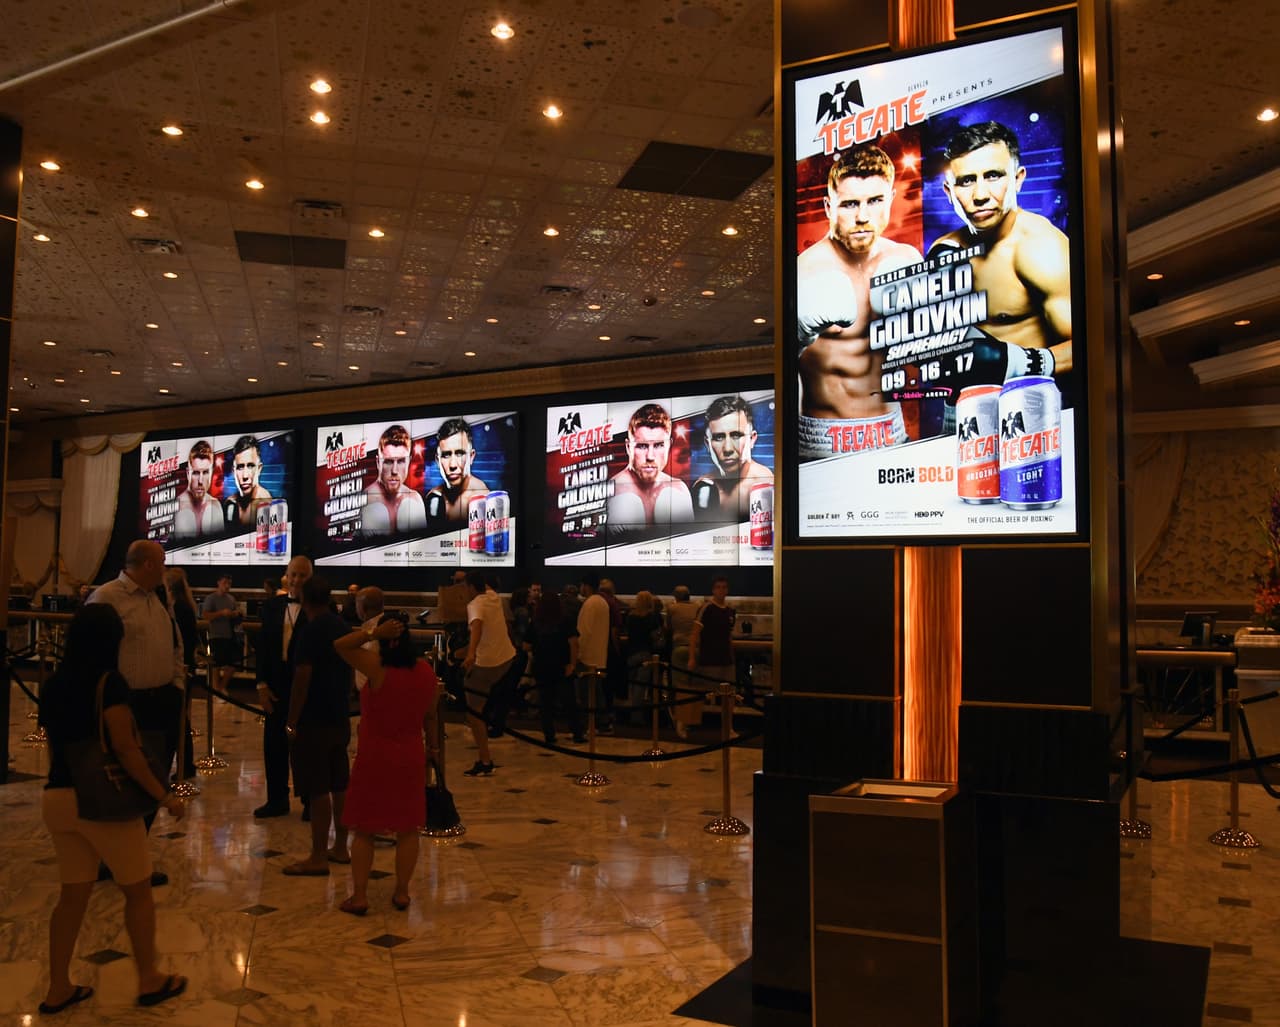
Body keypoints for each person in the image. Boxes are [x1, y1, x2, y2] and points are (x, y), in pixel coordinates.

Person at [38, 604, 188, 1013]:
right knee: (137, 891)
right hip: (102, 803)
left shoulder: (53, 684)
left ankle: (57, 988)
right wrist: (164, 795)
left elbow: (54, 744)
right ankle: (150, 979)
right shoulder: (110, 684)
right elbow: (125, 748)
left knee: (71, 897)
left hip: (58, 797)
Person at [794, 144, 923, 460]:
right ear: (828, 206)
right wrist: (797, 334)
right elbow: (779, 370)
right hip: (824, 438)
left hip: (890, 431)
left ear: (890, 200)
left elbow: (931, 360)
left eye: (875, 201)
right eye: (850, 204)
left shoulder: (907, 259)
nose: (863, 216)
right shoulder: (803, 270)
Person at [930, 120, 1073, 380]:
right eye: (966, 181)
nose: (980, 194)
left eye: (993, 176)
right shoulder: (944, 249)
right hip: (963, 409)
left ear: (1018, 180)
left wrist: (1016, 362)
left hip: (1027, 403)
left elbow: (1091, 344)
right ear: (949, 192)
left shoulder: (1041, 248)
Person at [87, 540, 185, 883]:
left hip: (160, 702)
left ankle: (128, 857)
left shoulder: (157, 597)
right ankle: (116, 860)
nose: (165, 568)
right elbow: (92, 653)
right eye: (161, 562)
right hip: (125, 704)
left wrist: (176, 684)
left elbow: (174, 643)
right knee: (126, 781)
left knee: (152, 779)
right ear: (146, 566)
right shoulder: (108, 597)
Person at [332, 612, 439, 915]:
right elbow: (430, 716)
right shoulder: (425, 672)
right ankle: (402, 892)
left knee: (364, 828)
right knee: (408, 827)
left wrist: (371, 634)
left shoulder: (377, 668)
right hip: (410, 754)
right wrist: (433, 749)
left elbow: (340, 645)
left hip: (375, 754)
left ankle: (360, 896)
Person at [283, 575, 352, 875]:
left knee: (317, 787)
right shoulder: (342, 626)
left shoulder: (310, 632)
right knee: (340, 784)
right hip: (339, 715)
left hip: (314, 718)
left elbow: (302, 677)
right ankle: (341, 848)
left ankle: (318, 855)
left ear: (303, 599)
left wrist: (292, 719)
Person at [252, 555, 312, 818]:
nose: (297, 580)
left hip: (308, 691)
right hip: (276, 687)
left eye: (302, 575)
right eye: (293, 575)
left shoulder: (321, 609)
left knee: (307, 747)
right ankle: (277, 799)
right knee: (273, 745)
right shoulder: (272, 607)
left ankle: (311, 802)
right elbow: (263, 649)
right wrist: (261, 685)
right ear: (286, 577)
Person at [460, 570, 517, 776]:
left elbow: (477, 626)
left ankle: (485, 760)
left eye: (464, 586)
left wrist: (471, 654)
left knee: (474, 713)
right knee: (482, 705)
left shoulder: (475, 604)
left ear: (471, 588)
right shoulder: (493, 597)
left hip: (486, 664)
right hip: (507, 659)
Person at [607, 403, 693, 528]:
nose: (650, 456)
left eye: (658, 445)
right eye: (642, 446)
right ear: (628, 447)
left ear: (669, 445)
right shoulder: (611, 490)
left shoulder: (679, 489)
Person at [691, 395, 774, 521]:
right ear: (708, 444)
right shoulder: (703, 485)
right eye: (719, 437)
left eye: (736, 435)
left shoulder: (764, 484)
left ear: (752, 439)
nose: (728, 449)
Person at [525, 593, 584, 745]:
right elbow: (574, 643)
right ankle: (577, 732)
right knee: (569, 701)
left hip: (542, 667)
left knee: (546, 703)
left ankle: (549, 735)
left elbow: (526, 645)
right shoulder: (565, 620)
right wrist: (572, 663)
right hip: (562, 666)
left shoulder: (536, 622)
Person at [163, 568, 199, 780]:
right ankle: (185, 764)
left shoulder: (180, 608)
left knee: (179, 720)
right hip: (184, 666)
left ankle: (185, 765)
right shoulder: (183, 606)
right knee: (180, 719)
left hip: (182, 668)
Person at [363, 424, 427, 535]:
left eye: (401, 461)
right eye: (388, 462)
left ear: (409, 462)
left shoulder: (415, 499)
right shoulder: (363, 501)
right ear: (378, 462)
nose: (395, 470)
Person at [425, 417, 489, 529]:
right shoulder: (433, 496)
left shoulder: (483, 499)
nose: (453, 465)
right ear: (437, 460)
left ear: (471, 456)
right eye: (446, 455)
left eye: (460, 453)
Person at [575, 572, 613, 735]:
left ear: (586, 586)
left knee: (587, 695)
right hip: (599, 655)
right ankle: (603, 723)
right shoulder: (602, 602)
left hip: (588, 657)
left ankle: (590, 726)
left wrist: (577, 654)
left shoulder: (590, 604)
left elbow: (584, 632)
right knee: (596, 692)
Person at [689, 575, 736, 699]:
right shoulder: (706, 608)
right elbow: (694, 634)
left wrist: (732, 657)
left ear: (727, 590)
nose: (721, 590)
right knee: (711, 696)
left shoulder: (730, 611)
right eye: (718, 587)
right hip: (710, 661)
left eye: (724, 587)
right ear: (713, 590)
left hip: (727, 661)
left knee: (728, 696)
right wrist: (692, 658)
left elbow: (729, 636)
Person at [622, 591, 664, 723]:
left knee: (632, 684)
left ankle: (626, 714)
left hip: (631, 653)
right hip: (646, 654)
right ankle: (636, 717)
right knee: (640, 687)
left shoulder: (630, 617)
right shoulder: (652, 618)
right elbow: (656, 638)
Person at [666, 586, 700, 738]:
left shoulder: (672, 608)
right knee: (692, 686)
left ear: (676, 597)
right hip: (696, 650)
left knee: (680, 687)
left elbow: (668, 628)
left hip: (679, 649)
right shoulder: (697, 608)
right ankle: (690, 721)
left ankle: (680, 723)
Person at [201, 572, 239, 697]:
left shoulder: (231, 599)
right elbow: (205, 615)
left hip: (229, 634)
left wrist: (235, 614)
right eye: (224, 583)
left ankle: (221, 688)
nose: (227, 586)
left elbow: (234, 613)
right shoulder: (211, 598)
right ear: (218, 583)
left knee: (233, 664)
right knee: (216, 665)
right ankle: (216, 689)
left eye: (229, 584)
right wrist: (221, 613)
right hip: (216, 635)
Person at [173, 440, 221, 537]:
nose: (200, 481)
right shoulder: (176, 506)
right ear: (187, 474)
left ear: (211, 473)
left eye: (206, 473)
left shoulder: (216, 505)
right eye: (195, 473)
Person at [227, 435, 273, 529]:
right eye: (240, 467)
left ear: (259, 469)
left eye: (251, 466)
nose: (245, 476)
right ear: (233, 471)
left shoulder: (265, 503)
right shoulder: (229, 503)